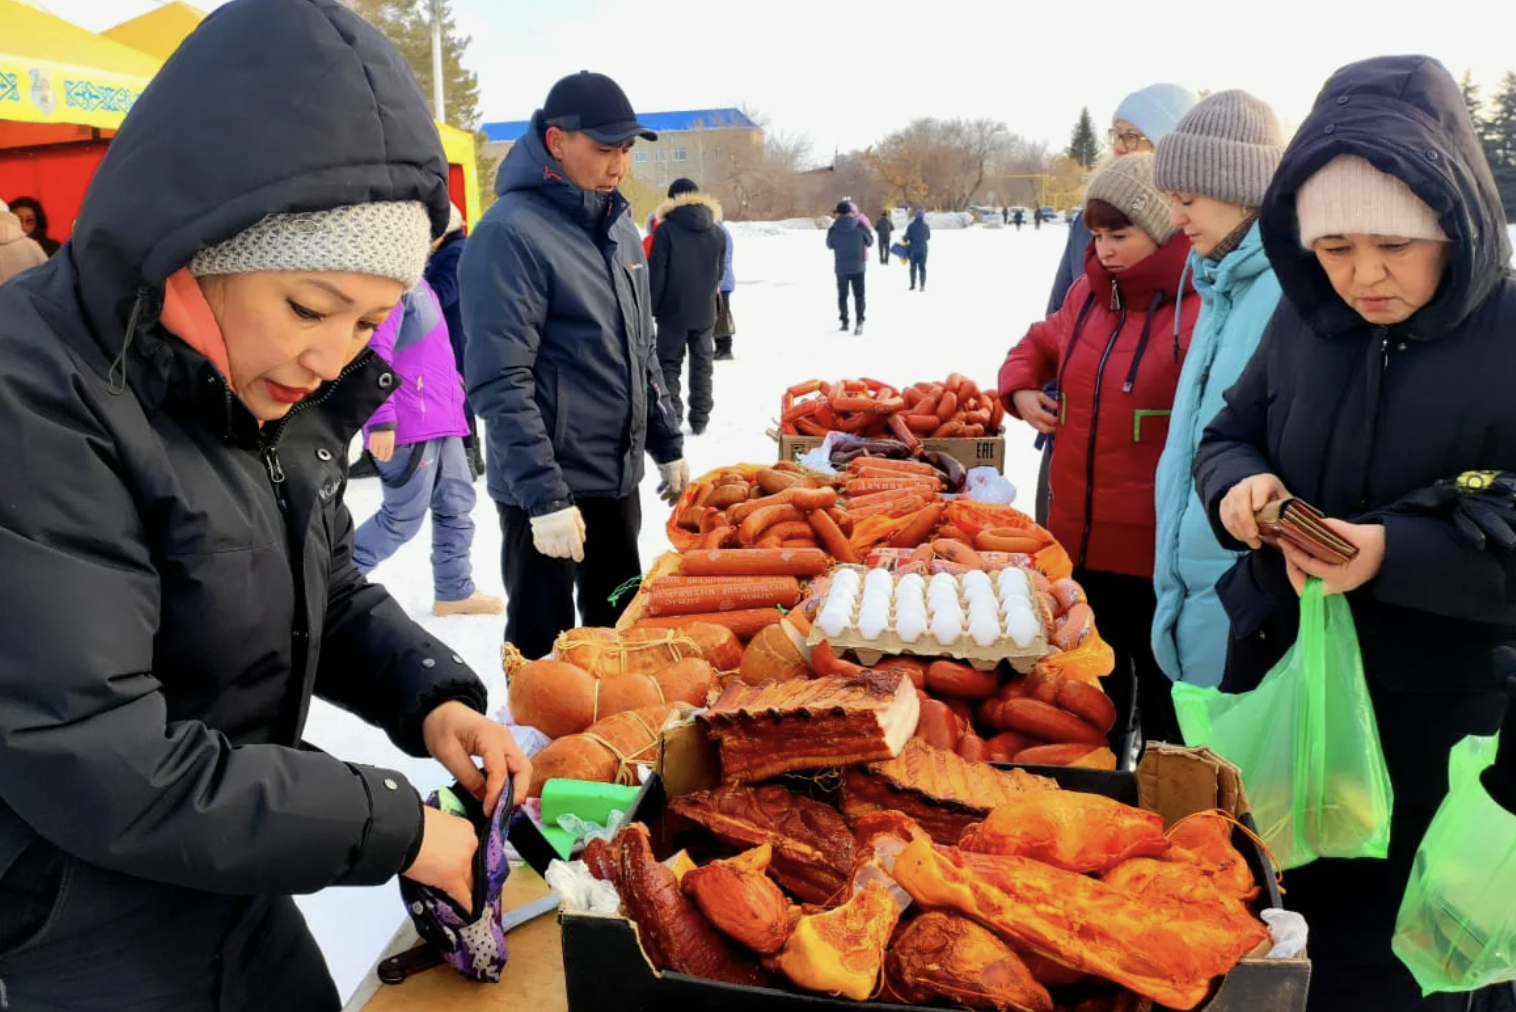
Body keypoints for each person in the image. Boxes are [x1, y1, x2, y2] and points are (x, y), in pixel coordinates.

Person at [0, 2, 531, 1008]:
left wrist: (430, 695)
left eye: (369, 322)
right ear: (192, 246)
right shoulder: (32, 395)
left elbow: (315, 582)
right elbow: (100, 753)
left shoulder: (249, 375)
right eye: (308, 306)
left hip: (229, 867)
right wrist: (394, 824)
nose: (331, 357)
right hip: (76, 915)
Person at [1193, 55, 1516, 1012]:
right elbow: (1226, 434)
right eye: (1334, 248)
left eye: (1394, 245)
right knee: (1284, 938)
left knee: (1409, 970)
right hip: (1288, 692)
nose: (1364, 275)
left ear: (1452, 227)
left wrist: (1390, 553)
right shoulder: (1304, 322)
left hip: (1441, 731)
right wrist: (1240, 488)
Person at [461, 71, 688, 662]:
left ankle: (614, 742)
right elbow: (498, 377)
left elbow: (641, 347)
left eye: (627, 150)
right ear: (558, 141)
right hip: (549, 492)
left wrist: (666, 441)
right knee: (545, 646)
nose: (619, 165)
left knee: (620, 625)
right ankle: (532, 753)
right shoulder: (509, 233)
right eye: (604, 149)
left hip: (615, 482)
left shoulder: (617, 224)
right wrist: (544, 499)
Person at [998, 153, 1198, 753]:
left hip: (1155, 554)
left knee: (1166, 698)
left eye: (1121, 235)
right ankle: (1104, 792)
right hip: (1076, 541)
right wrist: (1022, 388)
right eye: (1098, 235)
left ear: (1163, 230)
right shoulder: (1089, 295)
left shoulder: (1197, 312)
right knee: (1094, 698)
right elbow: (1035, 342)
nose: (1105, 249)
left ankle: (1169, 798)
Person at [1149, 90, 1285, 689]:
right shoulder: (1220, 281)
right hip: (1202, 595)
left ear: (1241, 189)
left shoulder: (1289, 290)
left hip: (1245, 603)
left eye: (1186, 199)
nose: (1174, 218)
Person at [1034, 82, 1200, 529]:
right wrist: (1042, 395)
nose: (1122, 147)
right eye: (1117, 135)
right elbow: (1058, 317)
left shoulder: (1198, 232)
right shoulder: (1087, 221)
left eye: (1134, 135)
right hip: (1070, 438)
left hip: (1144, 465)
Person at [354, 278, 502, 617]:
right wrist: (380, 419)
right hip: (409, 421)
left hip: (440, 415)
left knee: (457, 502)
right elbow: (372, 352)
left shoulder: (420, 281)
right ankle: (330, 584)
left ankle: (455, 589)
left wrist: (455, 386)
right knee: (401, 519)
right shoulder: (393, 282)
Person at [649, 177, 726, 435]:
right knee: (702, 362)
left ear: (673, 199)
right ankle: (700, 417)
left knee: (669, 363)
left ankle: (673, 414)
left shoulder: (665, 230)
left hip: (672, 310)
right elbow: (720, 271)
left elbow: (657, 273)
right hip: (705, 309)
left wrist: (651, 307)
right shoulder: (716, 230)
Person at [424, 202, 485, 477]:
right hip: (453, 332)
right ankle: (473, 457)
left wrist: (418, 290)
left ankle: (467, 459)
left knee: (457, 396)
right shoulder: (452, 250)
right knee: (458, 396)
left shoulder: (456, 252)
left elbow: (444, 291)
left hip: (455, 334)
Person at [827, 198, 872, 334]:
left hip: (841, 267)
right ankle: (859, 322)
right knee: (859, 295)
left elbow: (829, 245)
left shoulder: (833, 228)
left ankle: (845, 321)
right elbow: (869, 241)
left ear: (839, 213)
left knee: (843, 295)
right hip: (858, 265)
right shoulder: (860, 225)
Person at [0, 198, 46, 284]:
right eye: (18, 220)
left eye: (30, 221)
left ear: (38, 223)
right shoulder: (33, 247)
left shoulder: (52, 248)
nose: (23, 226)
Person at [714, 217, 737, 360]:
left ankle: (726, 348)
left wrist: (719, 282)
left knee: (722, 315)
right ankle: (721, 347)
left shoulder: (720, 232)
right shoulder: (721, 230)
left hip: (722, 281)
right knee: (720, 314)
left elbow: (723, 260)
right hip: (723, 280)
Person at [905, 209, 930, 291]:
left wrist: (904, 238)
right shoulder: (926, 226)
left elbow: (906, 238)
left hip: (913, 250)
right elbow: (928, 237)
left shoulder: (910, 226)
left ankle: (912, 285)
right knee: (922, 268)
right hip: (923, 250)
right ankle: (922, 286)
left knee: (912, 268)